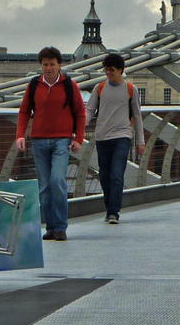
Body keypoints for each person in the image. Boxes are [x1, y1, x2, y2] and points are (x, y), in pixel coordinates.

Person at [15, 46, 84, 241]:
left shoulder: (70, 86)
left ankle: (61, 226)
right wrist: (21, 135)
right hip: (38, 142)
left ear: (59, 65)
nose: (48, 68)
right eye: (45, 64)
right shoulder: (34, 85)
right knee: (44, 187)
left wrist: (78, 138)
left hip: (62, 141)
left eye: (52, 64)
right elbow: (24, 112)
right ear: (41, 66)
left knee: (57, 181)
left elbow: (80, 113)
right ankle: (51, 227)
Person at [85, 52, 145, 226]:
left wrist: (140, 141)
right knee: (104, 176)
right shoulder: (100, 88)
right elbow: (90, 110)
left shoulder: (130, 89)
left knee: (116, 175)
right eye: (106, 70)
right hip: (102, 137)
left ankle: (113, 212)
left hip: (122, 137)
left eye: (111, 70)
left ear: (121, 70)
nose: (108, 73)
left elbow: (137, 116)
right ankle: (109, 206)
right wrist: (81, 127)